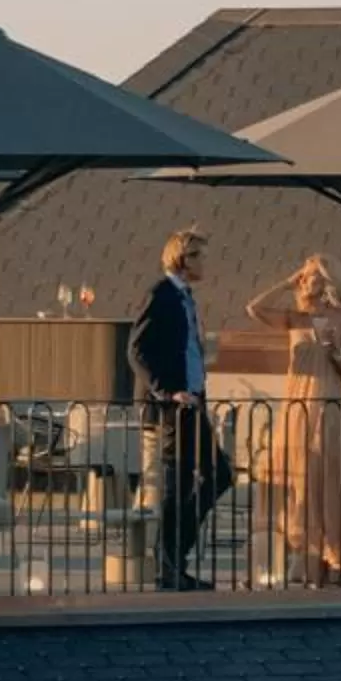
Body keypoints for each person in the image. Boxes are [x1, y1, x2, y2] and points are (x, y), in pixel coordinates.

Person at [247, 256, 341, 585]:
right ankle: (296, 558)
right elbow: (254, 308)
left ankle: (324, 562)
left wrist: (336, 351)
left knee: (323, 478)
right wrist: (286, 282)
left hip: (328, 404)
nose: (304, 282)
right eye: (302, 277)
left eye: (309, 277)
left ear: (327, 282)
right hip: (295, 406)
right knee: (292, 479)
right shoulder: (297, 318)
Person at [129, 228, 229, 590]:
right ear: (182, 259)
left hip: (193, 402)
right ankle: (169, 568)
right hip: (175, 407)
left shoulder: (186, 298)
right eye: (199, 256)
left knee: (218, 476)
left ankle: (173, 557)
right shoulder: (161, 295)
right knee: (177, 485)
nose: (206, 263)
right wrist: (166, 392)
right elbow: (136, 349)